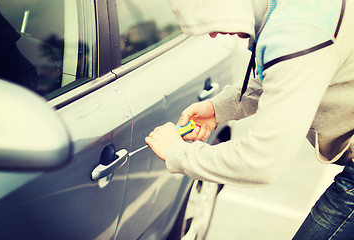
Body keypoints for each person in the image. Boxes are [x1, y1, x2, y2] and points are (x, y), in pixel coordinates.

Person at [145, 0, 354, 239]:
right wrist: (218, 108)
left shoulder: (298, 33)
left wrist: (178, 153)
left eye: (209, 20)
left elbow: (261, 161)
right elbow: (280, 77)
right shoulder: (286, 10)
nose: (213, 34)